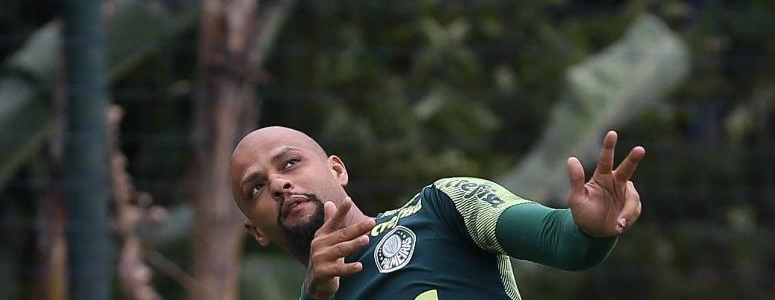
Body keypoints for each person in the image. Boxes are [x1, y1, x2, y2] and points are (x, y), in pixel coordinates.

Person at [230, 126, 644, 300]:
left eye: (289, 164)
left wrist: (592, 230)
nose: (280, 185)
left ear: (337, 169)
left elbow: (563, 242)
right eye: (257, 188)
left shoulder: (443, 207)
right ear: (257, 231)